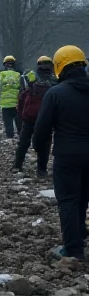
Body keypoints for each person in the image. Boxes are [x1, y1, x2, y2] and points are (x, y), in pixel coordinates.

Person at [32, 45, 89, 260]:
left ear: (59, 66)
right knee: (83, 198)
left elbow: (42, 128)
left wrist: (38, 147)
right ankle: (81, 233)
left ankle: (73, 249)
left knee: (68, 200)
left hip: (67, 155)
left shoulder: (56, 93)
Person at [14, 56, 57, 176]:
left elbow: (22, 96)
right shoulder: (55, 80)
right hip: (47, 119)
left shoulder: (28, 77)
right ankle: (41, 170)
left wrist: (21, 114)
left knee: (23, 142)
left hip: (30, 116)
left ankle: (17, 166)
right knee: (45, 144)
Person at [0, 56, 23, 139]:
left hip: (5, 103)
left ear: (4, 64)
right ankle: (21, 134)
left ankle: (10, 136)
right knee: (18, 120)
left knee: (7, 121)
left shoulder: (1, 74)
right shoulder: (18, 74)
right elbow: (23, 88)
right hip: (17, 102)